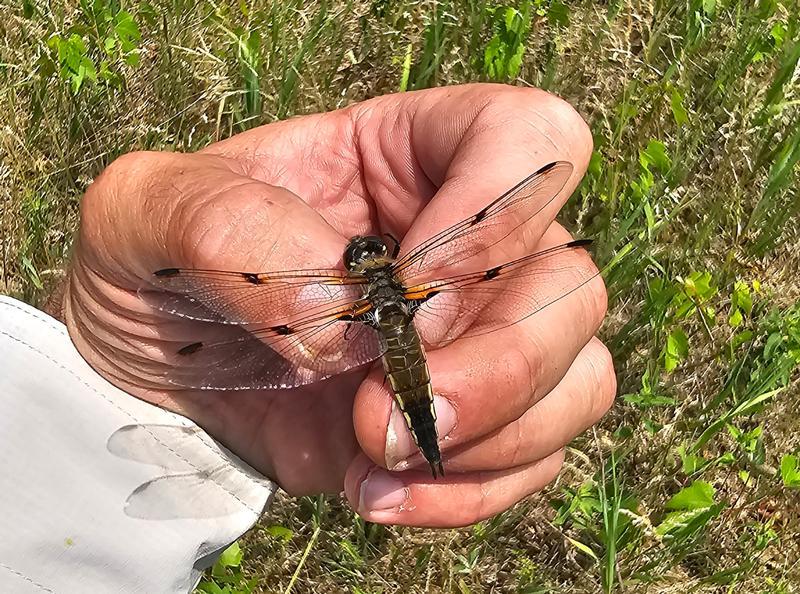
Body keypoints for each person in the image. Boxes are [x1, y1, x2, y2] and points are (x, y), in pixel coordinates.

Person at [0, 83, 614, 592]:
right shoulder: (396, 283)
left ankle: (424, 437)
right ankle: (425, 437)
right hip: (394, 352)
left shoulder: (352, 298)